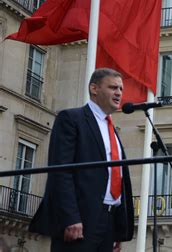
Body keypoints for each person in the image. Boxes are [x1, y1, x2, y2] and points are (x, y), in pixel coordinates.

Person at [29, 68, 134, 252]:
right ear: (94, 88)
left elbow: (116, 177)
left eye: (121, 89)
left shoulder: (112, 130)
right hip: (81, 220)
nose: (119, 93)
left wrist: (118, 230)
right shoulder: (71, 118)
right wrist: (70, 217)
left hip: (109, 221)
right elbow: (61, 171)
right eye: (113, 87)